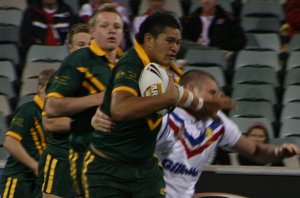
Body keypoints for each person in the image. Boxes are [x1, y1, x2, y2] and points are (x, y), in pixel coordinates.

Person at [83, 12, 235, 198]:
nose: (174, 48)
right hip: (109, 169)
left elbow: (179, 94)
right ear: (149, 39)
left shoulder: (162, 67)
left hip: (144, 168)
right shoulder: (132, 64)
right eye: (169, 41)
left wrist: (203, 105)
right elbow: (120, 110)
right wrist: (167, 98)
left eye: (178, 43)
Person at [91, 70, 300, 198]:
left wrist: (278, 152)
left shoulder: (219, 123)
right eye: (211, 92)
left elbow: (254, 151)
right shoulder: (165, 115)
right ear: (191, 89)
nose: (217, 98)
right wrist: (99, 118)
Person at [40, 4, 124, 198]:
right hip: (63, 158)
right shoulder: (65, 74)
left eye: (117, 27)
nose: (86, 49)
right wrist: (89, 120)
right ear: (70, 48)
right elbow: (49, 120)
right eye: (81, 45)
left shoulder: (118, 70)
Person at [0, 69, 55, 198]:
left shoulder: (56, 115)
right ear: (40, 88)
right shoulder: (28, 110)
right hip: (19, 179)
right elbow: (10, 142)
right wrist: (35, 166)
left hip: (39, 181)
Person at [180, 0, 246, 51]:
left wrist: (218, 46)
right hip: (194, 51)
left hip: (219, 52)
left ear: (216, 1)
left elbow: (240, 40)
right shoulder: (189, 20)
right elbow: (184, 39)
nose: (207, 1)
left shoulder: (228, 19)